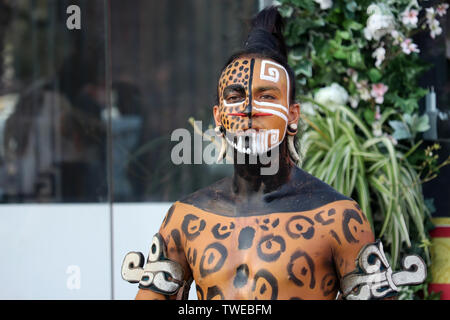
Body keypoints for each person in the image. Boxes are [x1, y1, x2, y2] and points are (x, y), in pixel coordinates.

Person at [122, 6, 426, 300]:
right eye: (235, 97)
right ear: (218, 117)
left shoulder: (336, 218)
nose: (249, 110)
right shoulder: (186, 218)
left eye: (266, 96)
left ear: (293, 115)